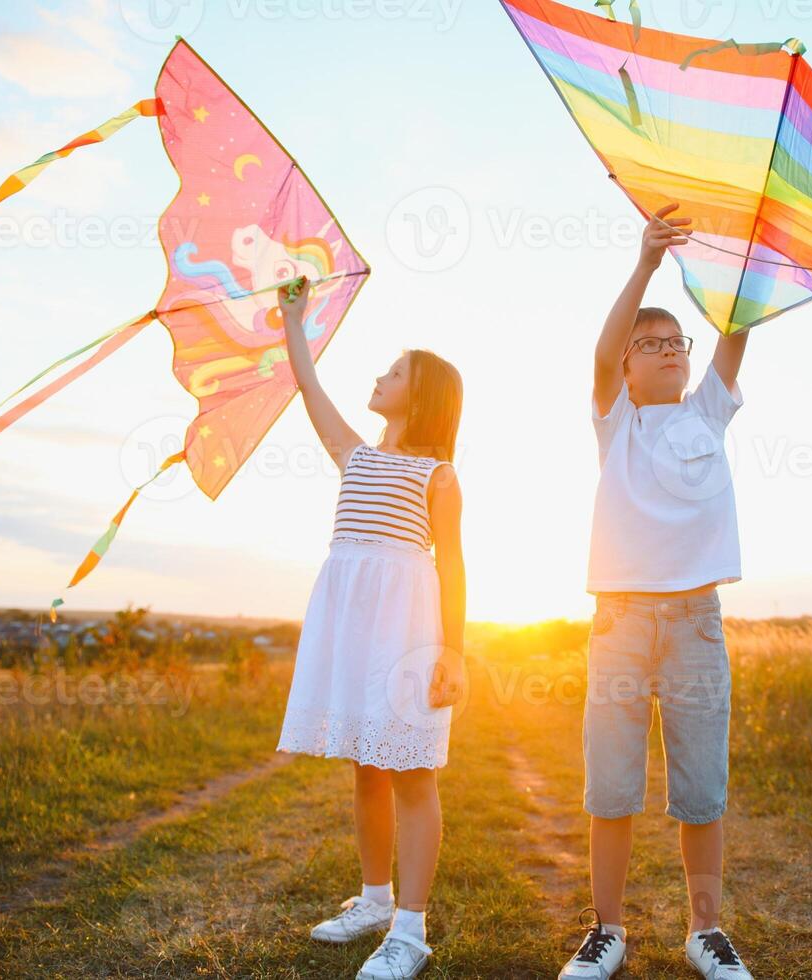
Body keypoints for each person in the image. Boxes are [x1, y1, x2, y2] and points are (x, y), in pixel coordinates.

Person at [558, 205, 753, 980]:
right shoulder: (616, 422)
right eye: (652, 344)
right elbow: (599, 355)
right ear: (630, 368)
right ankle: (606, 931)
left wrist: (741, 266)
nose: (668, 352)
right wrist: (644, 263)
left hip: (696, 623)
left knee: (700, 789)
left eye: (677, 342)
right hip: (620, 623)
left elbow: (738, 329)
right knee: (611, 785)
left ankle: (703, 932)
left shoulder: (706, 411)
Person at [272, 276, 468, 980]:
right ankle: (373, 898)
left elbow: (453, 567)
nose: (378, 378)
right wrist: (293, 320)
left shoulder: (437, 475)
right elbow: (307, 387)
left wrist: (452, 651)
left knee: (412, 771)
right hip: (350, 625)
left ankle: (410, 932)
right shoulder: (355, 456)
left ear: (420, 397)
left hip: (405, 631)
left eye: (393, 373)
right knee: (366, 766)